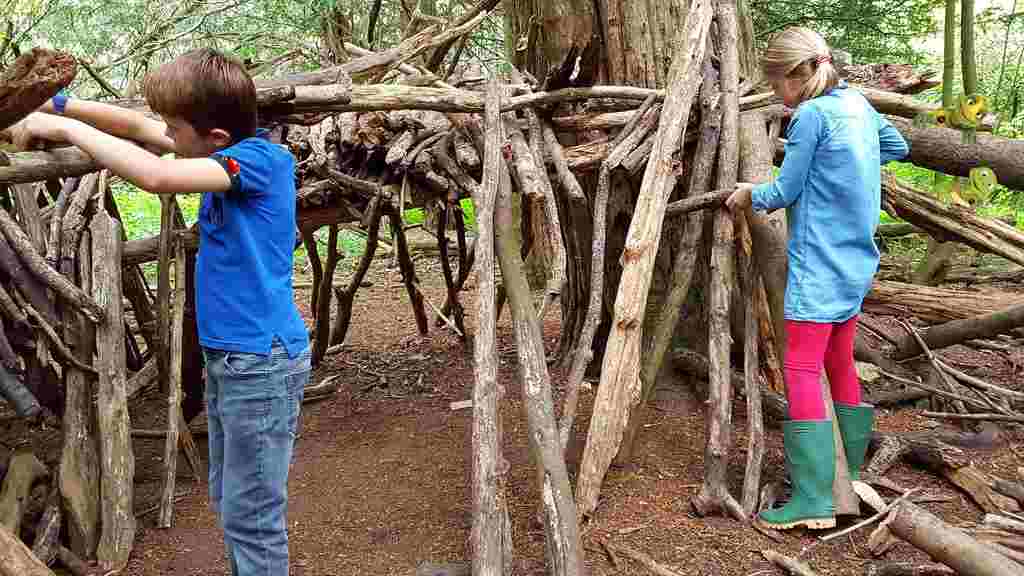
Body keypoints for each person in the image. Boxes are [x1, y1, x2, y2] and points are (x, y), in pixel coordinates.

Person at [9, 48, 310, 573]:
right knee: (231, 498)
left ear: (215, 139)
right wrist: (57, 105)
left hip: (261, 364)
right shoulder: (222, 146)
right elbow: (137, 125)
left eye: (175, 129)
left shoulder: (261, 163)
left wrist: (70, 133)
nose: (166, 136)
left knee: (252, 514)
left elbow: (155, 175)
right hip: (234, 360)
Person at [726, 27, 909, 530]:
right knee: (838, 358)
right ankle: (844, 472)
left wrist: (747, 193)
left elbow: (783, 190)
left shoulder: (810, 117)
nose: (777, 98)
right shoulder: (857, 105)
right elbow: (898, 145)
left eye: (776, 85)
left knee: (801, 366)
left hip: (819, 263)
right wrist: (853, 166)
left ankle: (813, 498)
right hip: (856, 260)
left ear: (795, 76)